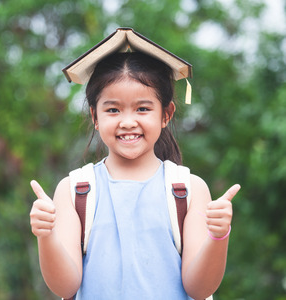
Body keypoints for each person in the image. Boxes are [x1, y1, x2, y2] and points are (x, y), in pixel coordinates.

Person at [29, 33, 240, 299]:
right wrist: (45, 235)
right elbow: (65, 286)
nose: (128, 122)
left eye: (142, 109)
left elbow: (199, 289)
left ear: (166, 114)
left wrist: (219, 237)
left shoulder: (189, 190)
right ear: (95, 116)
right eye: (113, 110)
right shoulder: (74, 191)